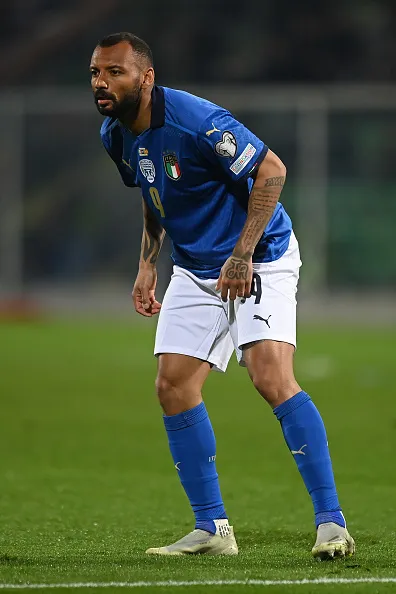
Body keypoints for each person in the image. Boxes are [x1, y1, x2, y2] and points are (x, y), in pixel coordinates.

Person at [90, 31, 355, 560]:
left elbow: (272, 170)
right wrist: (147, 264)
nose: (102, 82)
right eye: (96, 72)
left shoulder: (196, 120)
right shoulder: (115, 134)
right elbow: (154, 193)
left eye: (115, 72)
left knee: (270, 376)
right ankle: (212, 529)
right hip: (193, 265)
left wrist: (242, 253)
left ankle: (332, 523)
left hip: (260, 254)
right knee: (173, 386)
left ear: (146, 78)